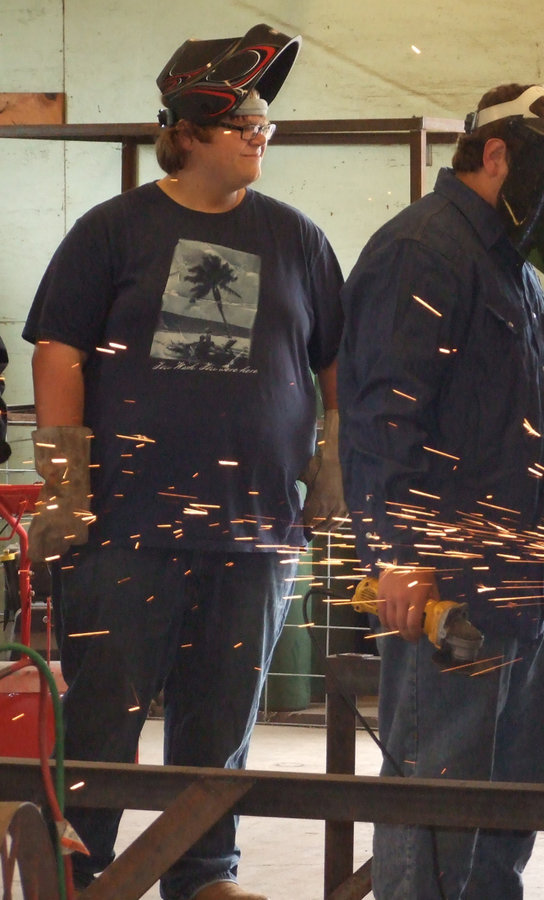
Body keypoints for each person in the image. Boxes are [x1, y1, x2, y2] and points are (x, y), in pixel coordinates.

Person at [22, 23, 344, 900]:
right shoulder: (114, 230)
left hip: (255, 530)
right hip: (127, 527)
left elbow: (334, 365)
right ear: (192, 126)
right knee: (102, 718)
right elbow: (59, 352)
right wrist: (67, 484)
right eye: (245, 121)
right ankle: (77, 873)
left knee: (221, 722)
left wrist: (334, 458)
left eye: (265, 126)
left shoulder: (298, 239)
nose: (260, 136)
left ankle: (205, 873)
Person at [338, 83, 544, 899]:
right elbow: (381, 418)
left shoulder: (511, 269)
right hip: (450, 590)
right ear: (496, 155)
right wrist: (397, 558)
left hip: (523, 585)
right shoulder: (422, 251)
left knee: (502, 815)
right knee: (439, 824)